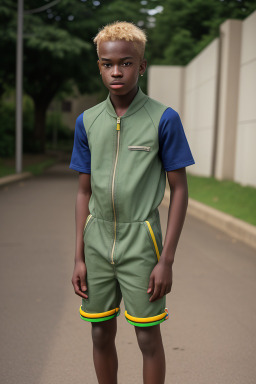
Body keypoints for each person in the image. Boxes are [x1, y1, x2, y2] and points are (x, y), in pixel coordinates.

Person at [70, 21, 195, 384]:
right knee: (99, 332)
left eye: (125, 63)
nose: (116, 71)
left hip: (142, 242)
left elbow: (180, 190)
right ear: (99, 66)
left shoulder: (163, 119)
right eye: (107, 64)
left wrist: (166, 260)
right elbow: (82, 192)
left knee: (146, 335)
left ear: (141, 66)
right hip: (96, 243)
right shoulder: (87, 121)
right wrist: (78, 256)